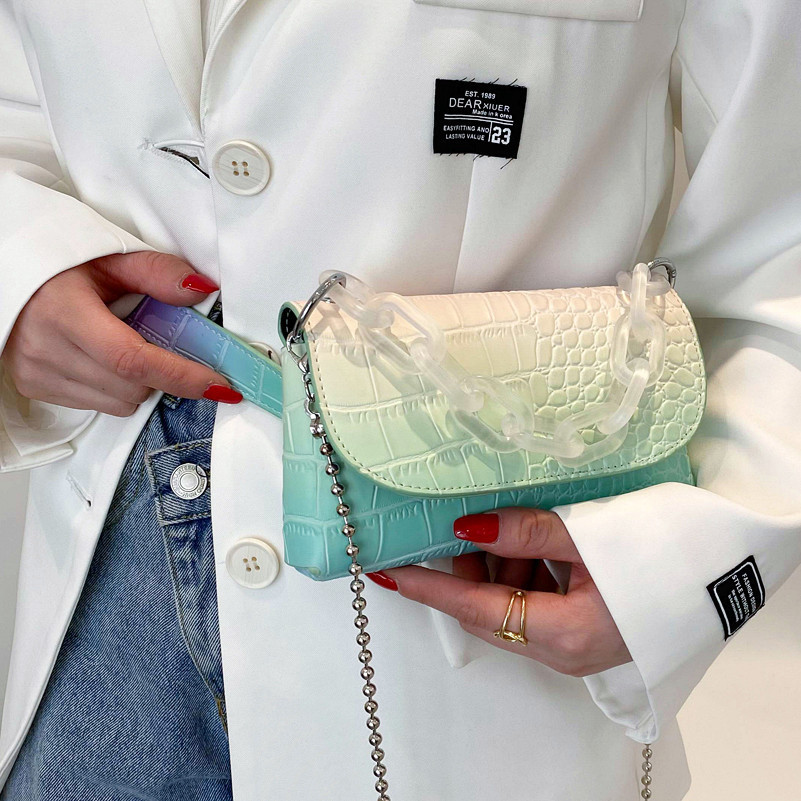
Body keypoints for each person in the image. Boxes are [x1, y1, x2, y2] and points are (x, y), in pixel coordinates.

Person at [0, 1, 799, 799]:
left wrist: (664, 572)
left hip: (476, 612)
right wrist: (22, 268)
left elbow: (781, 229)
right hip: (108, 604)